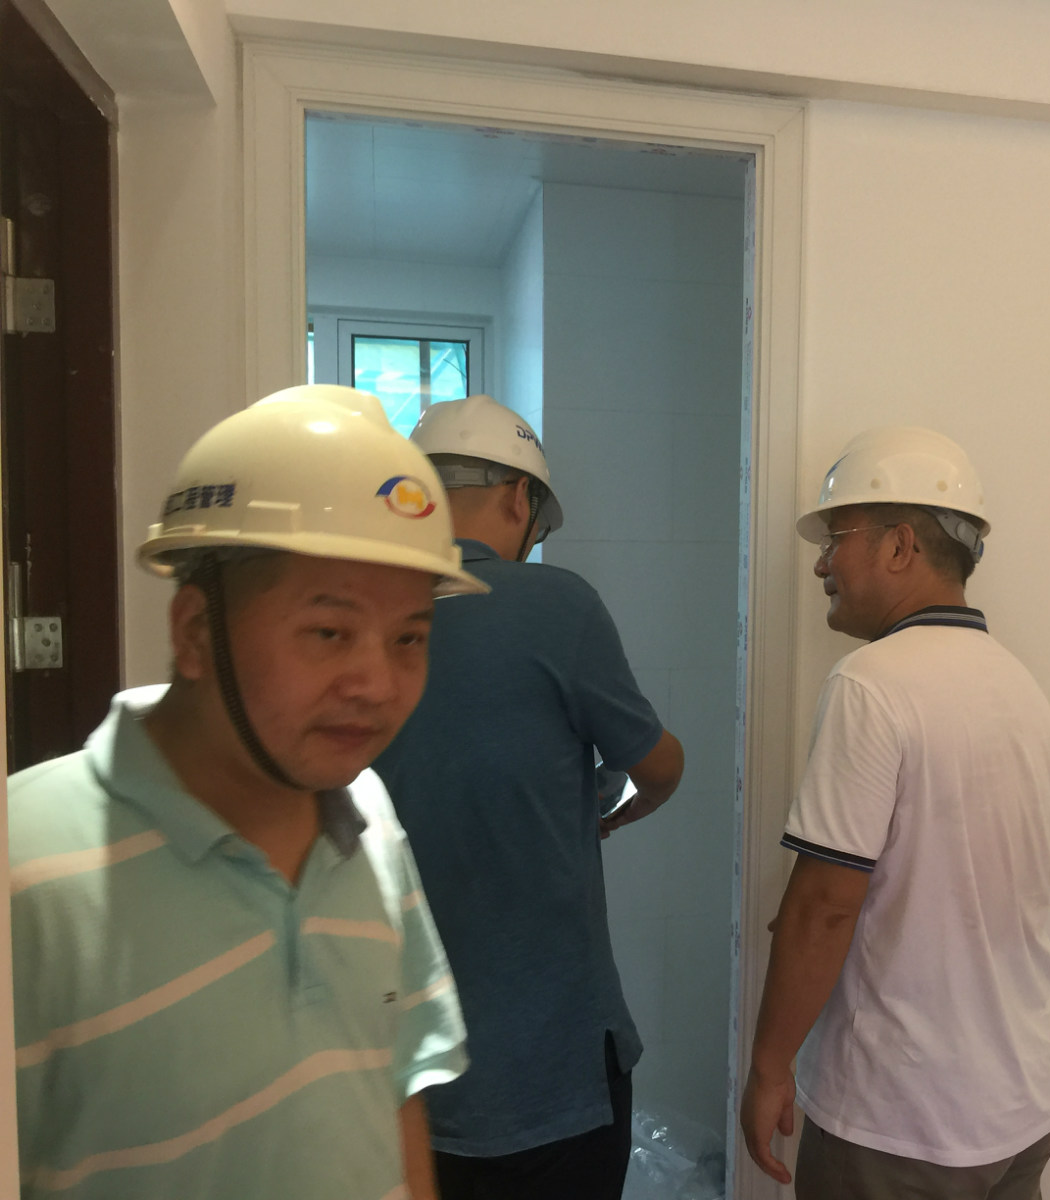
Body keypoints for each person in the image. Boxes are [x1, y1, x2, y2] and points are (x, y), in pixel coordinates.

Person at [10, 384, 479, 1200]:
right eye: (329, 631)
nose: (377, 683)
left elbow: (397, 1085)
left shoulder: (368, 816)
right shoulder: (25, 864)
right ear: (196, 632)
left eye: (409, 637)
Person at [739, 426, 1050, 1200]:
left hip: (903, 1120)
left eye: (836, 539)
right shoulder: (1022, 688)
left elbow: (824, 906)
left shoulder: (872, 684)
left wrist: (768, 1068)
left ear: (899, 546)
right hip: (1023, 1103)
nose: (820, 563)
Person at [373, 394, 685, 1200]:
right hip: (551, 1078)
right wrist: (622, 805)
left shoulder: (363, 612)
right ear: (520, 498)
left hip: (405, 1075)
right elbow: (659, 764)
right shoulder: (557, 603)